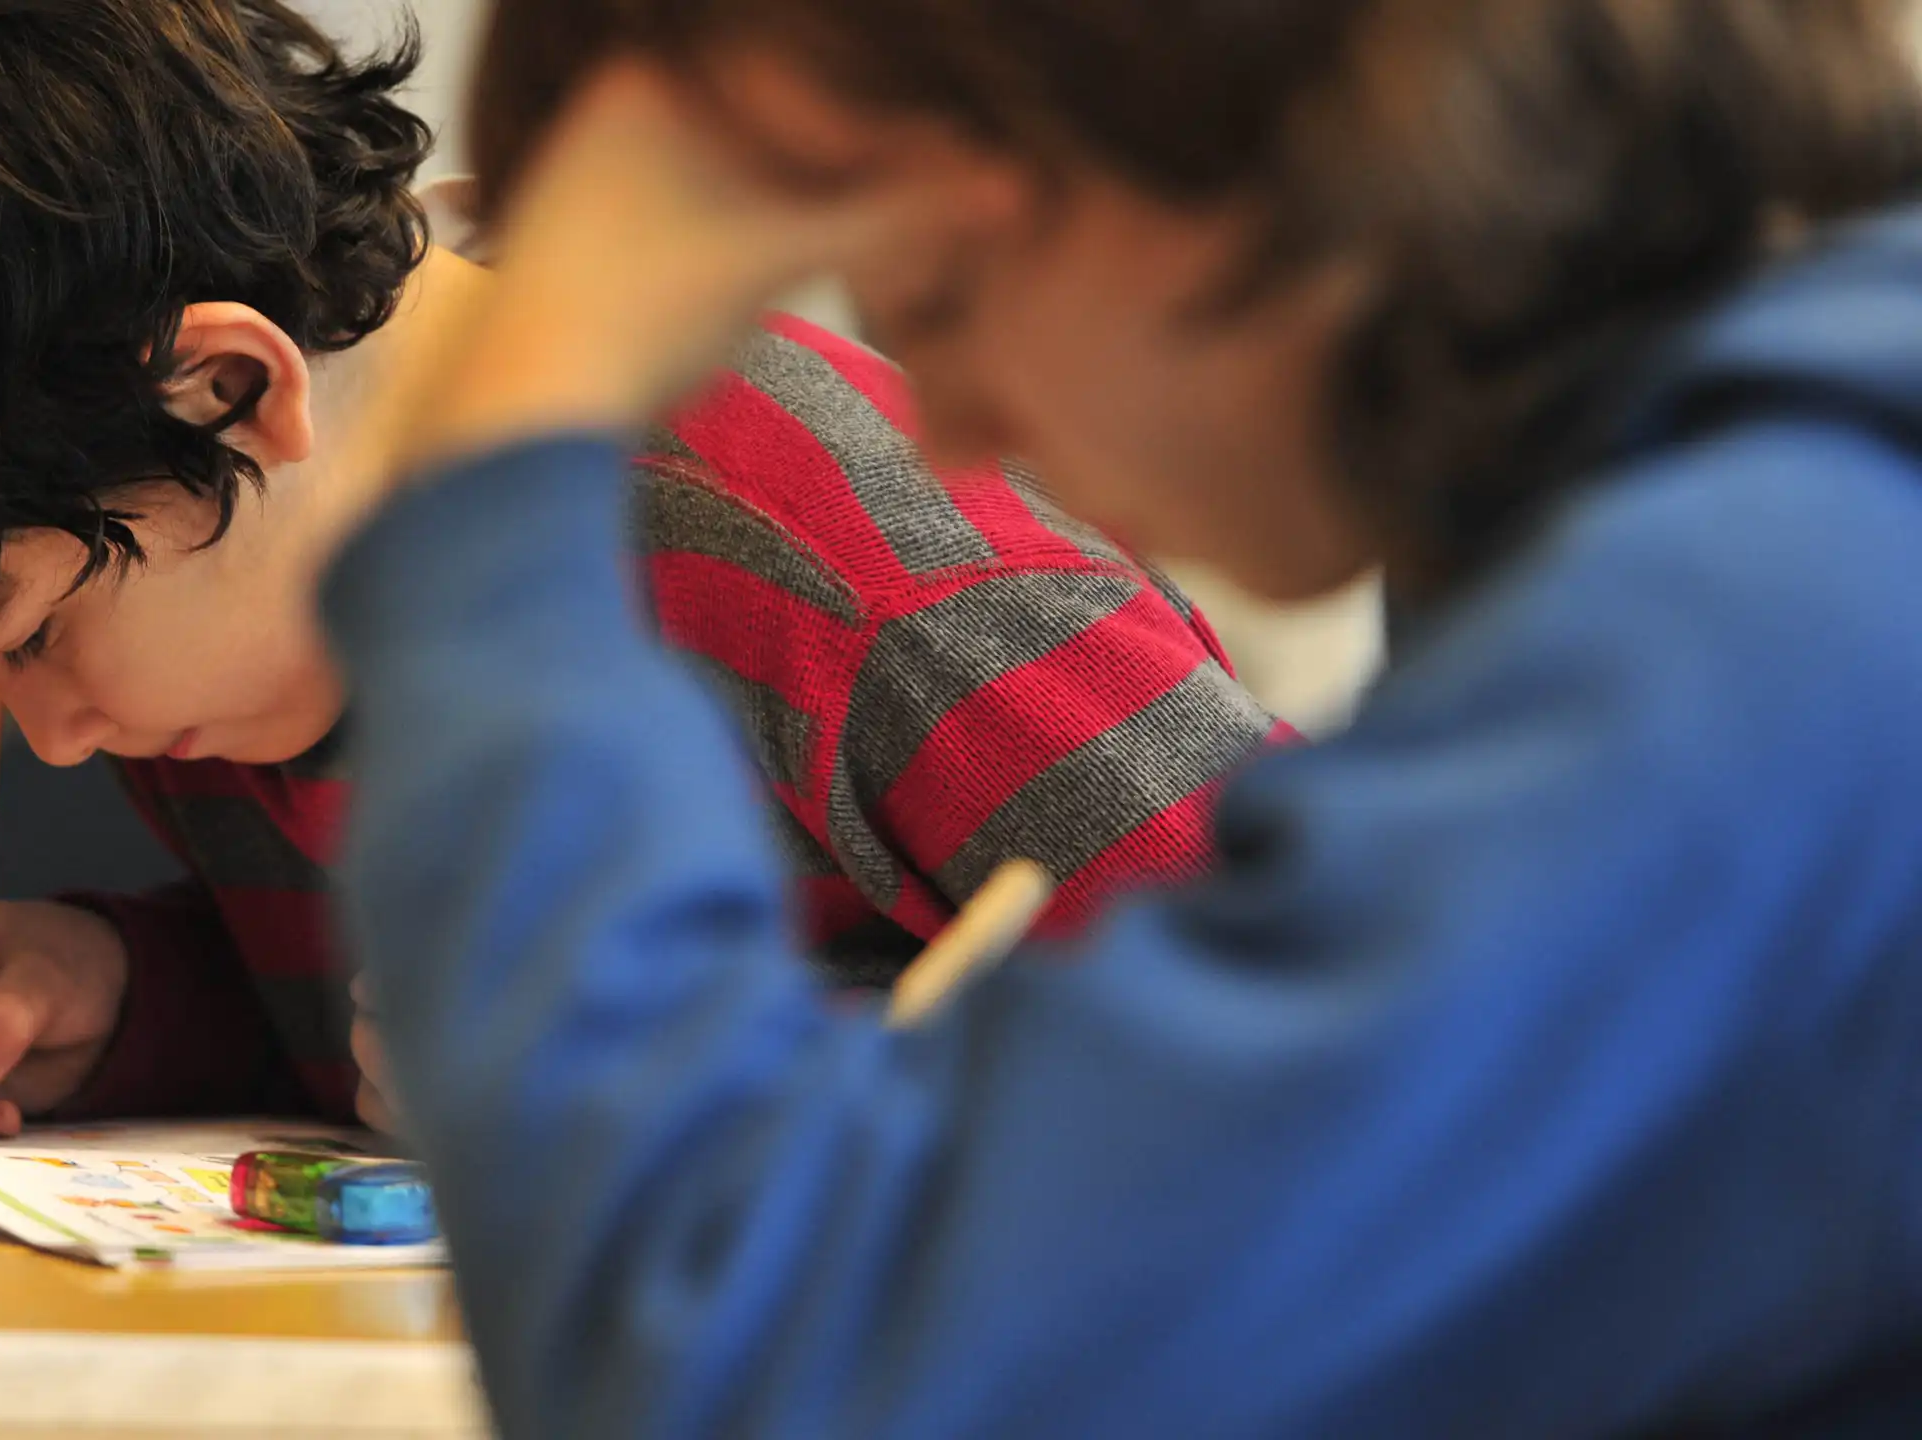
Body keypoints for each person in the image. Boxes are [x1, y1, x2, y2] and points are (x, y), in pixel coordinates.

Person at [314, 0, 1922, 1433]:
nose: (946, 427)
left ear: (1215, 130)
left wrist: (506, 458)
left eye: (936, 292)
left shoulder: (1767, 632)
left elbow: (744, 1366)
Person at [0, 0, 1282, 1136]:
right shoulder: (251, 606)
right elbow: (377, 1039)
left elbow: (1398, 1050)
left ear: (233, 390)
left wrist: (762, 1075)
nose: (55, 736)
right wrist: (128, 989)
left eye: (29, 636)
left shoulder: (832, 572)